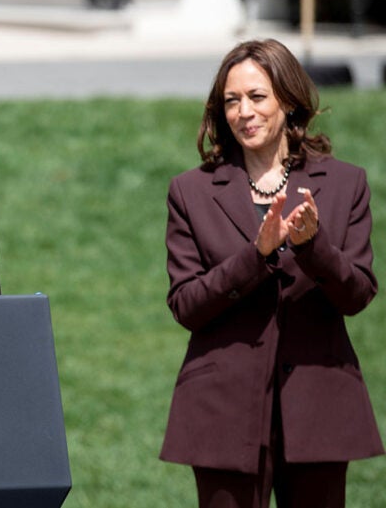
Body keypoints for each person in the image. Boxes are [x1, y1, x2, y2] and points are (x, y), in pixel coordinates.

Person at [160, 38, 383, 507]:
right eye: (232, 100)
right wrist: (254, 255)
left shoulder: (346, 184)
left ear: (288, 99)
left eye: (257, 97)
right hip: (222, 412)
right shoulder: (191, 191)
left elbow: (358, 294)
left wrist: (312, 247)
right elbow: (185, 305)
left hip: (319, 407)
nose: (244, 111)